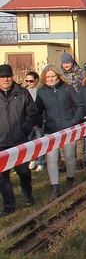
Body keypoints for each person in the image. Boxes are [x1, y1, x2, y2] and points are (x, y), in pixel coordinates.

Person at [35, 64, 85, 200]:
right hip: (50, 130)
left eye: (53, 76)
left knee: (69, 156)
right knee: (51, 159)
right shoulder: (41, 92)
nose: (50, 79)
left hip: (68, 129)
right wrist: (42, 123)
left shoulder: (68, 88)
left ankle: (70, 180)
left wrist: (74, 121)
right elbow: (37, 111)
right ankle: (55, 188)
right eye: (48, 77)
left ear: (58, 76)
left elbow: (80, 106)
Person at [0, 64, 42, 215]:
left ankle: (28, 195)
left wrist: (25, 128)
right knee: (2, 176)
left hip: (19, 141)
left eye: (8, 76)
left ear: (12, 77)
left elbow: (33, 113)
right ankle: (9, 205)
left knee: (23, 172)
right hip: (1, 143)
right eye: (2, 77)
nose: (6, 79)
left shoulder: (22, 93)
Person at [61, 52, 85, 169]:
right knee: (63, 133)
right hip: (64, 106)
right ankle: (64, 160)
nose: (66, 65)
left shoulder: (80, 72)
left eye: (68, 62)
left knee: (79, 134)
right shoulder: (59, 74)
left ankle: (80, 159)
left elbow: (84, 86)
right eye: (64, 63)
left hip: (78, 104)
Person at [24, 71, 45, 171]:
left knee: (39, 141)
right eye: (27, 81)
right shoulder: (24, 92)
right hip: (28, 121)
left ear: (36, 80)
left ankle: (41, 162)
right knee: (29, 142)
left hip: (39, 121)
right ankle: (33, 159)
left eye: (31, 81)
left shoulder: (41, 91)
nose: (28, 83)